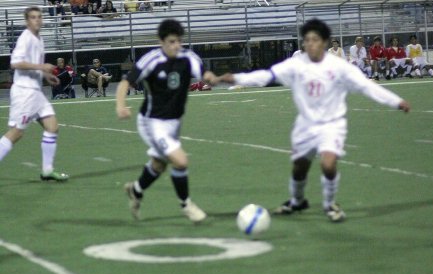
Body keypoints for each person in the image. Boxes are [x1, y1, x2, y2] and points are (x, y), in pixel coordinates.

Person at [217, 19, 409, 222]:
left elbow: (366, 86)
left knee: (328, 164)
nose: (310, 44)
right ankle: (297, 201)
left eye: (315, 40)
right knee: (299, 167)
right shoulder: (296, 65)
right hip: (305, 125)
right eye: (307, 40)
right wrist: (236, 78)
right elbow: (266, 76)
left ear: (325, 42)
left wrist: (396, 101)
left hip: (332, 125)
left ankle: (330, 204)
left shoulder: (339, 67)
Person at [115, 18, 217, 221]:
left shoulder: (188, 57)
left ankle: (135, 190)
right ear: (161, 42)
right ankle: (186, 205)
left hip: (174, 122)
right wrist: (120, 105)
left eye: (178, 41)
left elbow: (203, 73)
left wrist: (210, 77)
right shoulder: (151, 60)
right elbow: (125, 83)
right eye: (171, 41)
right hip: (152, 122)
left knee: (159, 165)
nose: (176, 45)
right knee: (180, 161)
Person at [0, 7, 69, 181]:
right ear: (27, 21)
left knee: (52, 126)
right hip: (24, 93)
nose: (37, 20)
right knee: (16, 133)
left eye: (39, 17)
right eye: (33, 17)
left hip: (35, 92)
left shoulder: (39, 39)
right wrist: (41, 67)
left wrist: (46, 76)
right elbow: (15, 63)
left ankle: (47, 170)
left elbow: (33, 65)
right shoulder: (26, 38)